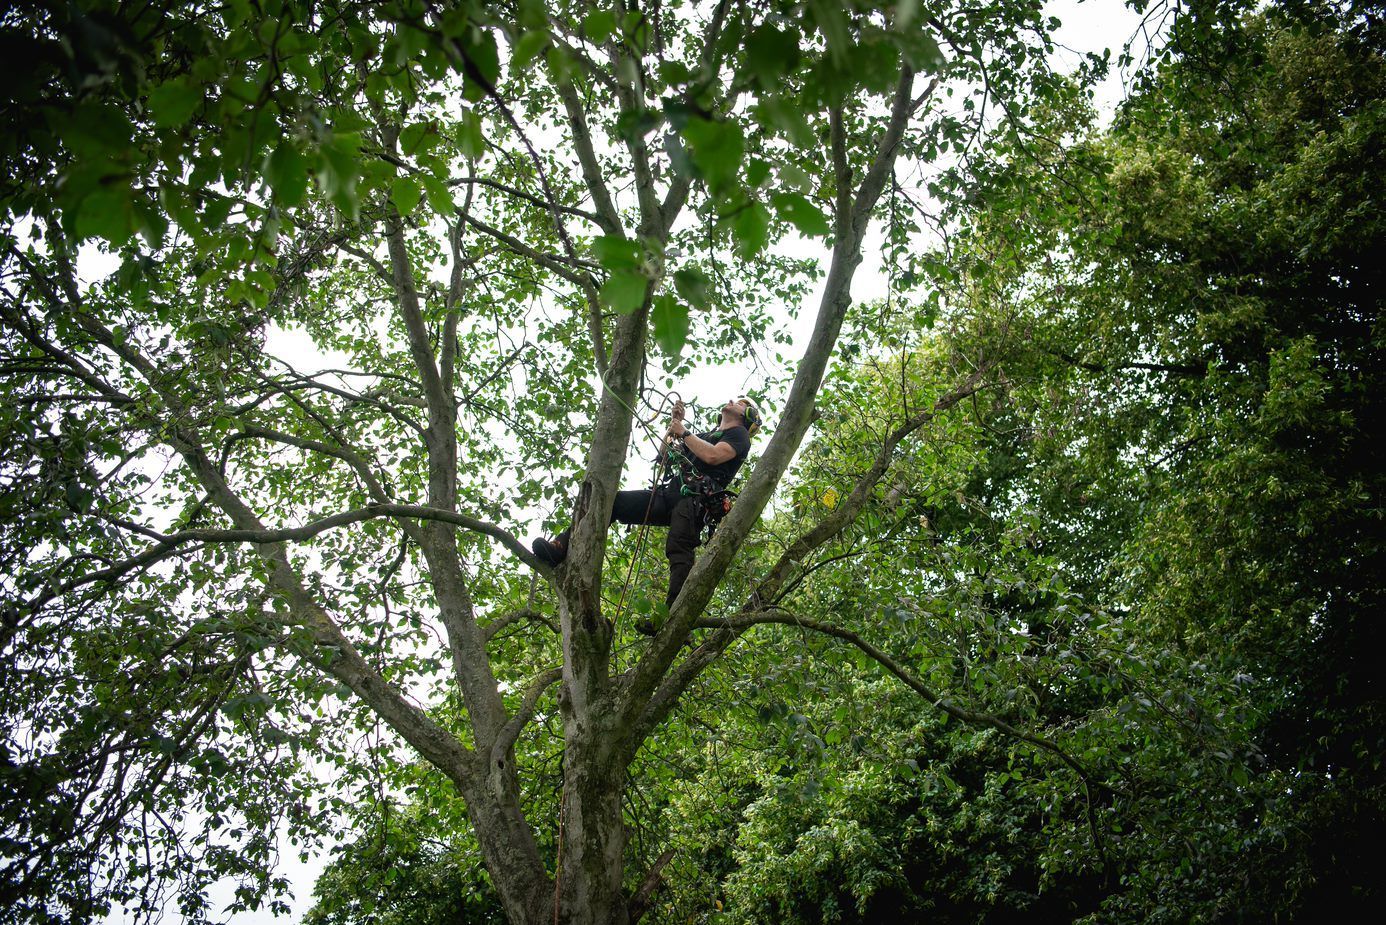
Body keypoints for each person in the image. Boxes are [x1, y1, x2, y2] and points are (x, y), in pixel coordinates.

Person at [531, 396, 763, 608]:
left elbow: (714, 456)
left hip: (694, 501)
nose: (733, 400)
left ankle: (671, 613)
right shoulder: (703, 436)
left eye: (741, 403)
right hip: (668, 494)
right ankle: (561, 547)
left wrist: (683, 431)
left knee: (679, 547)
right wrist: (674, 426)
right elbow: (664, 453)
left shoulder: (739, 435)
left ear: (748, 416)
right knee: (613, 502)